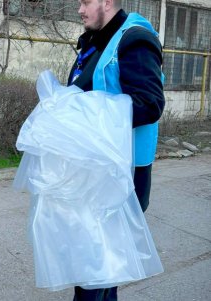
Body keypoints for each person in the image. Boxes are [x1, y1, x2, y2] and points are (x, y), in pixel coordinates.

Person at [67, 0, 165, 300]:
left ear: (107, 1)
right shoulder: (97, 41)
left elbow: (150, 104)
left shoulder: (134, 39)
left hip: (119, 180)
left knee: (94, 270)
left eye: (85, 1)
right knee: (102, 270)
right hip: (95, 173)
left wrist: (86, 111)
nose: (80, 9)